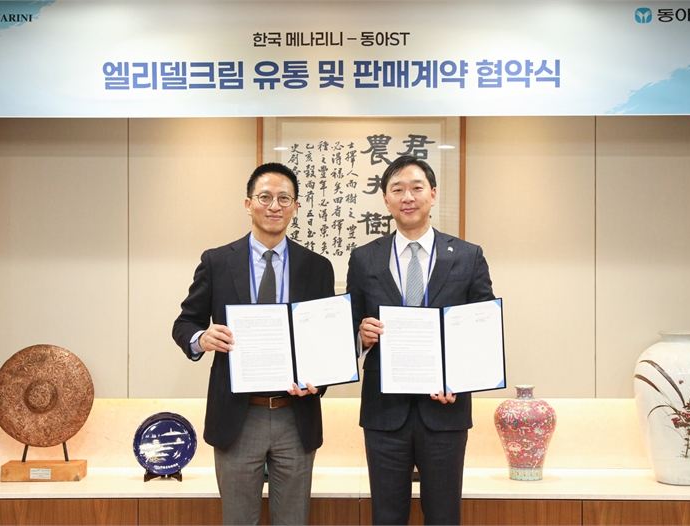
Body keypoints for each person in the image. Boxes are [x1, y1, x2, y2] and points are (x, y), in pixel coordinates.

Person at [173, 162, 335, 525]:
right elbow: (185, 323)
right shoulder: (217, 261)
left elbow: (326, 339)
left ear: (295, 206)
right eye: (265, 197)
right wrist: (202, 338)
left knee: (293, 520)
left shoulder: (317, 267)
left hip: (296, 414)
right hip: (238, 416)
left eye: (284, 198)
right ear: (248, 204)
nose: (274, 206)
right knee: (237, 520)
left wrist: (319, 379)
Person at [346, 155, 495, 525]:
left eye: (416, 188)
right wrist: (361, 336)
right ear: (385, 199)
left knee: (444, 515)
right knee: (386, 516)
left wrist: (459, 380)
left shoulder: (467, 256)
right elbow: (347, 328)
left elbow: (483, 332)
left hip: (445, 410)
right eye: (397, 190)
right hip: (384, 413)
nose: (408, 197)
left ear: (433, 194)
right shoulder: (364, 259)